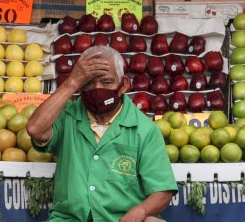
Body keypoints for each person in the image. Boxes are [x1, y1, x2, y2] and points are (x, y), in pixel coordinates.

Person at [27, 45, 178, 222]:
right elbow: (35, 129)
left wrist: (142, 211)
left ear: (124, 85)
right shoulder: (66, 116)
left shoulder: (144, 129)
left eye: (107, 82)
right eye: (89, 83)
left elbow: (163, 191)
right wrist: (72, 82)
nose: (97, 89)